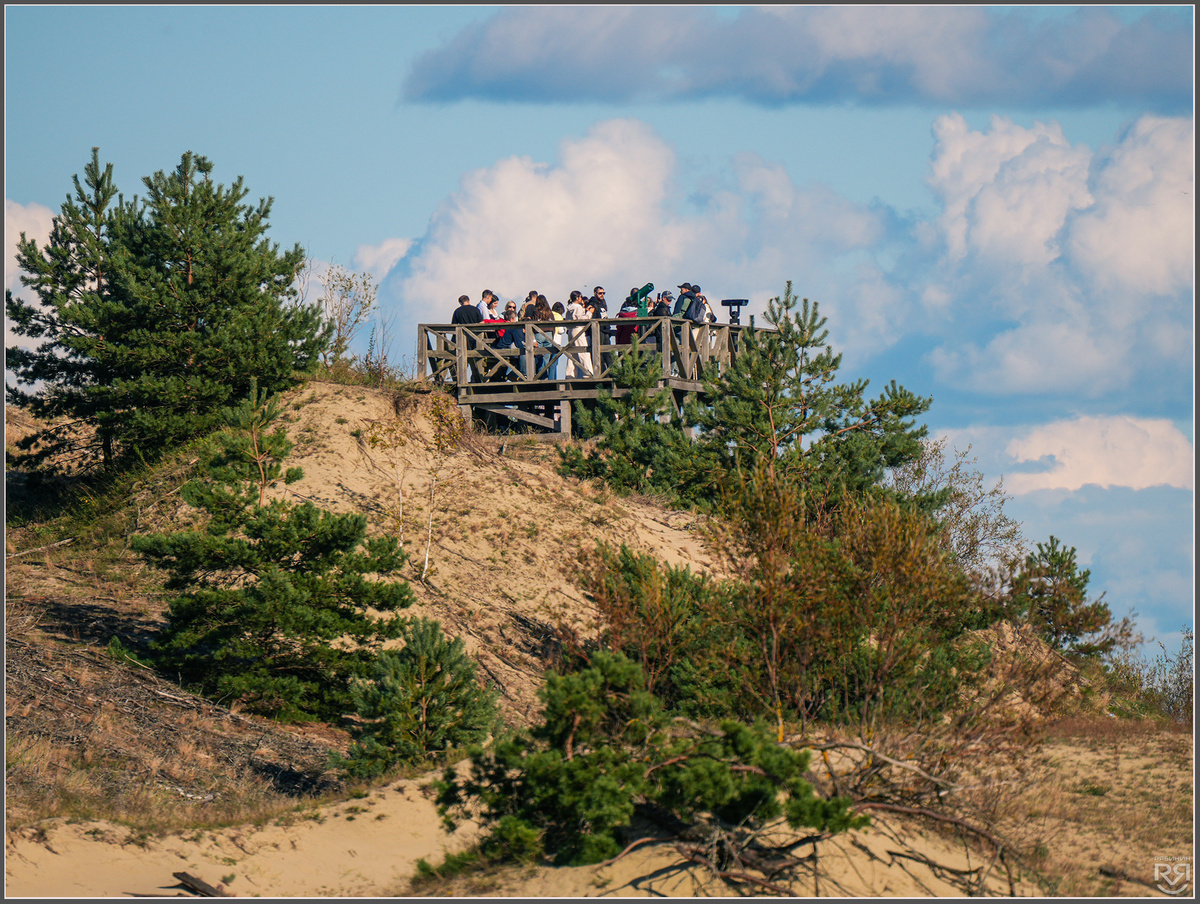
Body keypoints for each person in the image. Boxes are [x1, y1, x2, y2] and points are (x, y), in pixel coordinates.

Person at [564, 290, 593, 377]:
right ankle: (588, 373)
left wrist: (584, 310)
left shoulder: (570, 308)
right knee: (583, 351)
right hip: (578, 330)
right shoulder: (578, 307)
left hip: (570, 330)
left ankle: (570, 374)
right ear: (577, 298)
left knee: (572, 354)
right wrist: (589, 313)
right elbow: (581, 319)